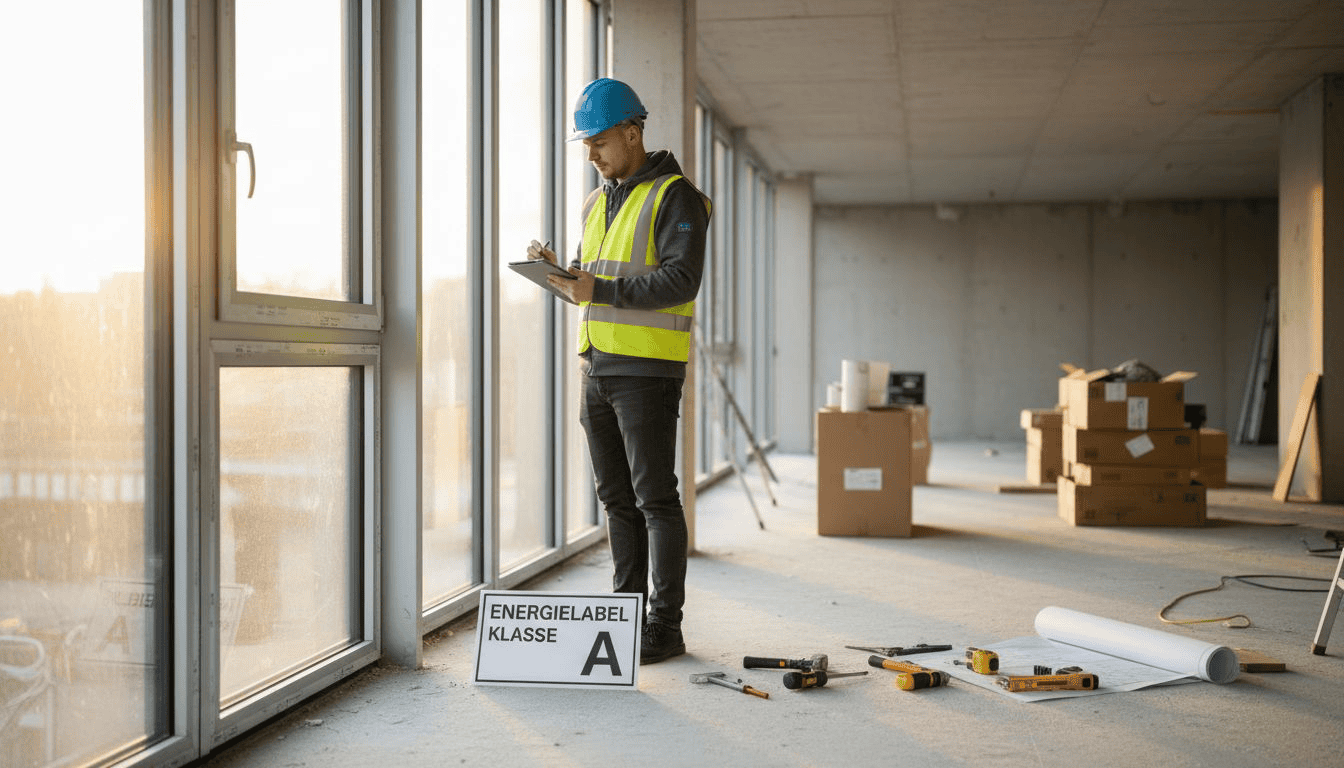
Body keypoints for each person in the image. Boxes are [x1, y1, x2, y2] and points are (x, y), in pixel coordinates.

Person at [527, 78, 710, 664]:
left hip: (647, 373)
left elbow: (681, 281)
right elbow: (592, 285)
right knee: (616, 501)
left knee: (655, 498)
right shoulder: (597, 199)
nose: (591, 154)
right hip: (598, 366)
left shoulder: (676, 197)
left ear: (633, 133)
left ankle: (665, 626)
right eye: (585, 145)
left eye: (599, 142)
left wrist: (595, 285)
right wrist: (558, 274)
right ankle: (624, 615)